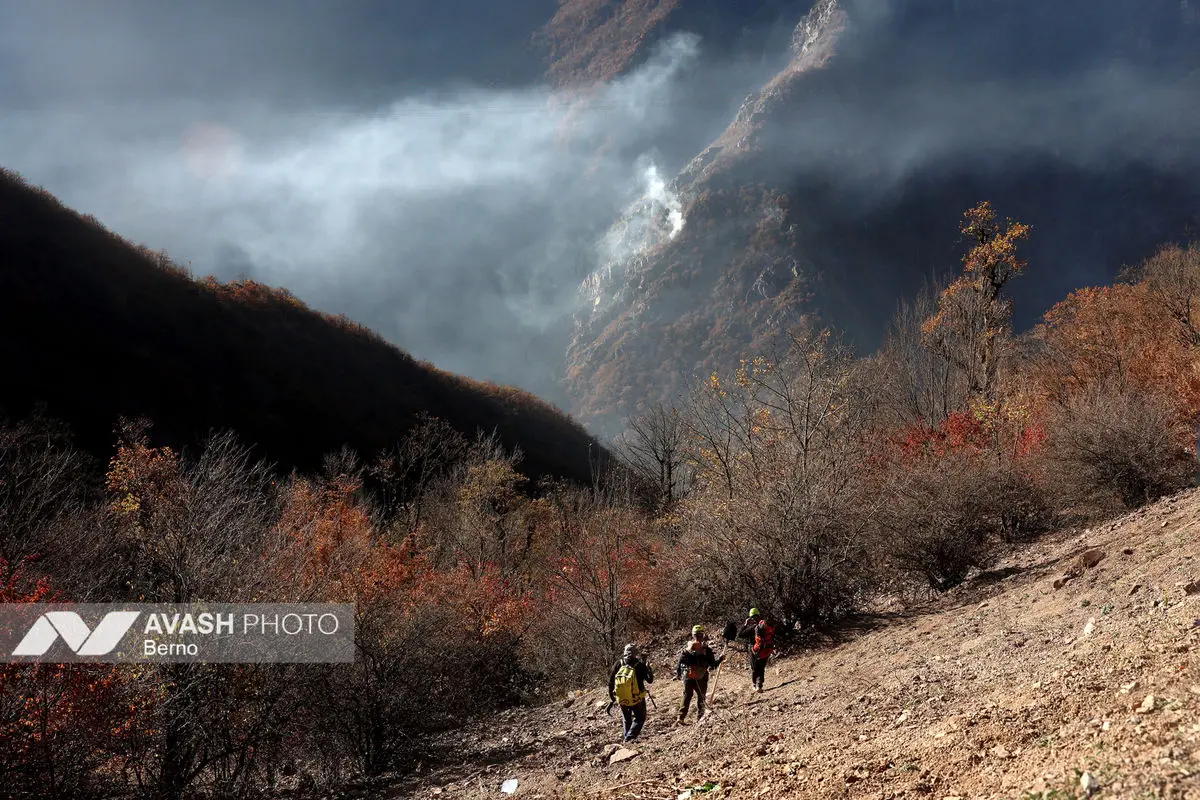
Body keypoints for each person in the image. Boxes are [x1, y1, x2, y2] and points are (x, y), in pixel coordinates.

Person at [675, 625, 722, 723]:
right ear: (702, 635)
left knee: (687, 695)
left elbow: (679, 662)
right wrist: (721, 659)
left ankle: (681, 717)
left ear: (693, 635)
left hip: (687, 676)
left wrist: (679, 673)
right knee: (701, 696)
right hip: (701, 677)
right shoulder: (707, 650)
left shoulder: (686, 649)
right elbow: (713, 666)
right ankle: (700, 718)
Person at [608, 643, 654, 742]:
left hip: (621, 697)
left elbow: (611, 681)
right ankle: (629, 738)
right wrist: (648, 668)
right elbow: (650, 680)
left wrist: (612, 696)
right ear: (635, 653)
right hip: (637, 698)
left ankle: (627, 737)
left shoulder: (618, 663)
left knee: (626, 719)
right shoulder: (640, 665)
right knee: (640, 718)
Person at [737, 607, 776, 693]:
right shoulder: (765, 627)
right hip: (765, 649)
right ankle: (760, 685)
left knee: (754, 668)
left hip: (754, 650)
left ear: (751, 618)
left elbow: (740, 634)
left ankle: (755, 685)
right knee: (761, 667)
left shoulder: (752, 628)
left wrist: (745, 624)